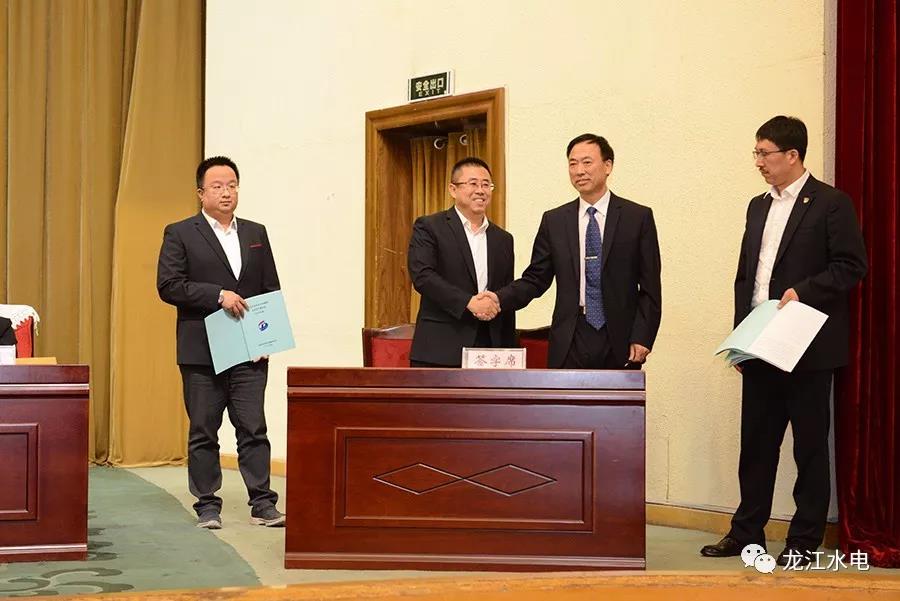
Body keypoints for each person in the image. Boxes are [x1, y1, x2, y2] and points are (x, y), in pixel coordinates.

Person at [700, 116, 867, 565]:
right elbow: (746, 276)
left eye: (765, 153)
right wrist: (740, 336)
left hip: (807, 347)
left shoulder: (831, 203)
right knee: (756, 446)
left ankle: (804, 540)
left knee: (809, 448)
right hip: (759, 345)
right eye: (756, 153)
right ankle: (746, 531)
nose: (758, 162)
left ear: (792, 155)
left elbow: (851, 266)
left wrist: (803, 291)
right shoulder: (757, 206)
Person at [157, 156, 285, 529]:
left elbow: (270, 289)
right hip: (203, 351)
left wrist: (268, 337)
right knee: (204, 430)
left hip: (249, 351)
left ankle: (263, 503)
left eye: (232, 185)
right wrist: (217, 295)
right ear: (201, 193)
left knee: (253, 428)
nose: (226, 192)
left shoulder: (256, 233)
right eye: (217, 186)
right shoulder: (181, 233)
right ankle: (208, 505)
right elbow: (169, 286)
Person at [488, 133, 661, 369]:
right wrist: (498, 298)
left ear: (608, 166)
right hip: (570, 335)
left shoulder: (637, 218)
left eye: (587, 162)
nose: (579, 171)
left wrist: (643, 336)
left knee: (617, 395)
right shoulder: (554, 221)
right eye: (573, 163)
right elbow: (536, 278)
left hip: (620, 337)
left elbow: (650, 287)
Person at [407, 157, 516, 367]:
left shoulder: (503, 239)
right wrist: (468, 302)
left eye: (486, 185)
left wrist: (508, 346)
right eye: (473, 184)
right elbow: (423, 277)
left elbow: (505, 292)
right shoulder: (429, 227)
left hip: (490, 348)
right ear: (453, 189)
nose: (480, 190)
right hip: (441, 347)